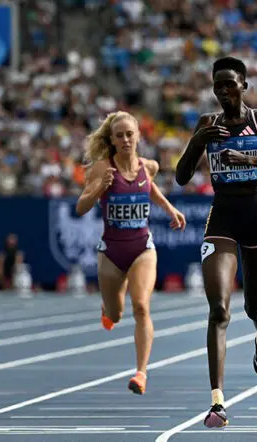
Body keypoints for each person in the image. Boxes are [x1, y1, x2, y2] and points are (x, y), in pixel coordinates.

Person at [175, 56, 257, 428]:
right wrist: (198, 141)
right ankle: (217, 403)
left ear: (243, 86)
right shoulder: (207, 123)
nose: (223, 91)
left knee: (253, 307)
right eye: (217, 86)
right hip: (222, 218)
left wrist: (254, 160)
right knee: (219, 309)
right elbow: (182, 177)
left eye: (229, 84)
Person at [76, 111, 186, 396]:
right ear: (112, 140)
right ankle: (109, 308)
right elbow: (81, 207)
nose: (125, 140)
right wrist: (100, 188)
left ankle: (141, 373)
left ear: (138, 136)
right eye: (119, 136)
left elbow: (149, 188)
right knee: (116, 314)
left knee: (141, 306)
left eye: (129, 134)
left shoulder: (149, 166)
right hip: (111, 253)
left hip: (142, 248)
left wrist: (170, 209)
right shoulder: (102, 169)